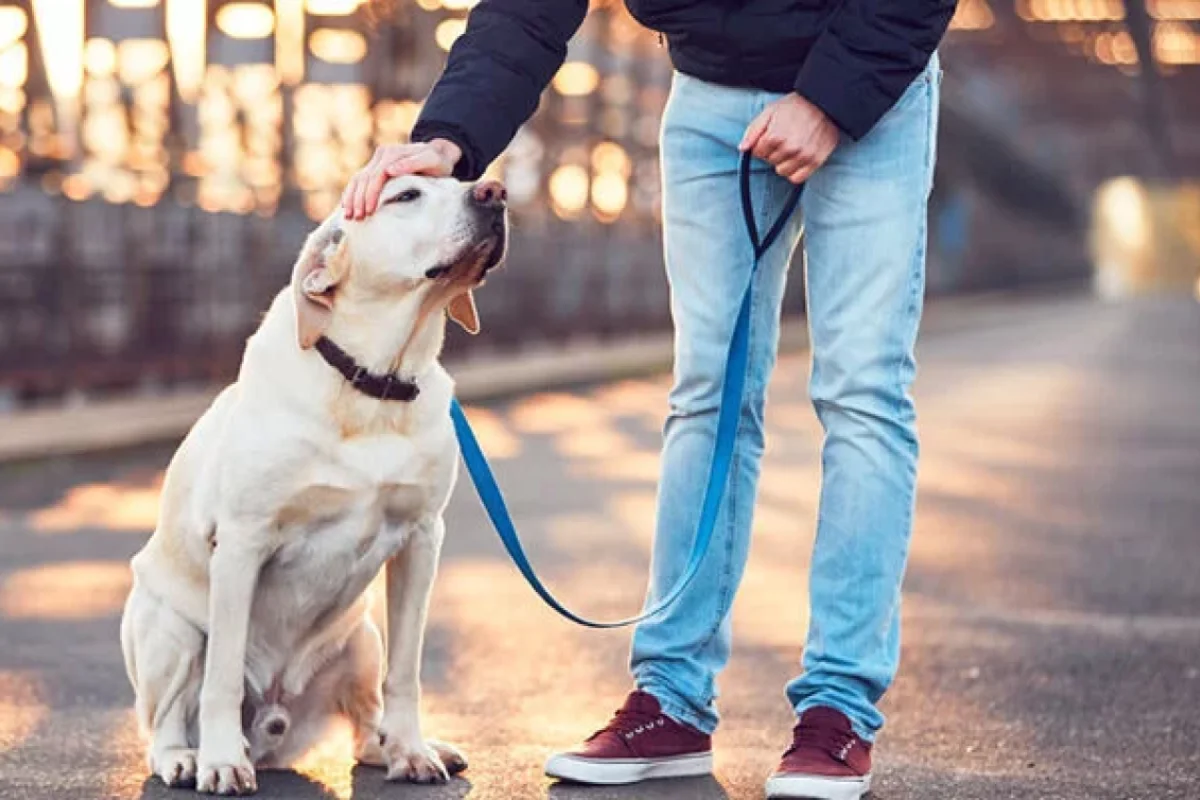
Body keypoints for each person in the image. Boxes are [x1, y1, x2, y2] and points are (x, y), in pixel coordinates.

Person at [344, 0, 952, 796]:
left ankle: (837, 711)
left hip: (873, 94)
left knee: (861, 391)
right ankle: (672, 699)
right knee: (706, 396)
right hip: (710, 99)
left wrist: (830, 101)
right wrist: (448, 139)